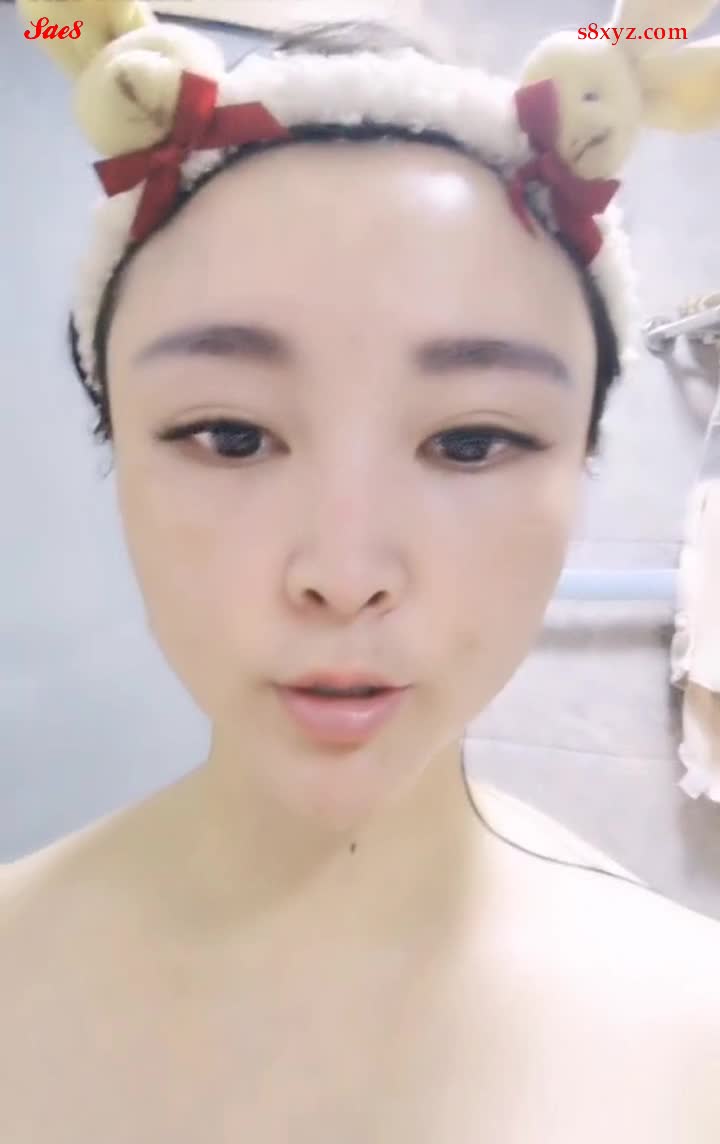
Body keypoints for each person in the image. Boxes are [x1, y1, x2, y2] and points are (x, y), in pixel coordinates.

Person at [3, 3, 720, 1140]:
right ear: (115, 445)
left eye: (471, 441)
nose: (344, 575)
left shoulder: (695, 1037)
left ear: (581, 461)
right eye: (231, 434)